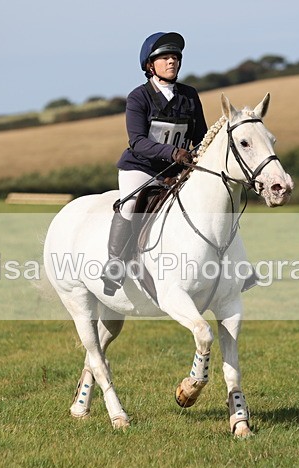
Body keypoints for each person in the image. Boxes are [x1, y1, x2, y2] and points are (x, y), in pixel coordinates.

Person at [101, 31, 208, 295]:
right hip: (141, 167)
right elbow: (137, 141)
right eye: (164, 58)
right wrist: (173, 153)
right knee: (128, 206)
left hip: (179, 170)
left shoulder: (189, 96)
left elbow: (202, 136)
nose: (172, 62)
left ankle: (232, 264)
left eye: (175, 57)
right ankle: (114, 265)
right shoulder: (139, 97)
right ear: (150, 65)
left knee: (212, 202)